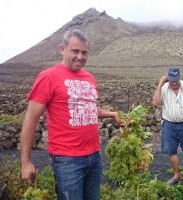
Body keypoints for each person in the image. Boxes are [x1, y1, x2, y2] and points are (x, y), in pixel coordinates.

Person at [20, 29, 122, 200]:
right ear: (62, 49)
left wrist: (112, 114)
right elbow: (30, 121)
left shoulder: (89, 78)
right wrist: (25, 162)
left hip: (94, 156)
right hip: (67, 160)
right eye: (75, 51)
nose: (80, 57)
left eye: (84, 52)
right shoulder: (48, 77)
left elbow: (89, 110)